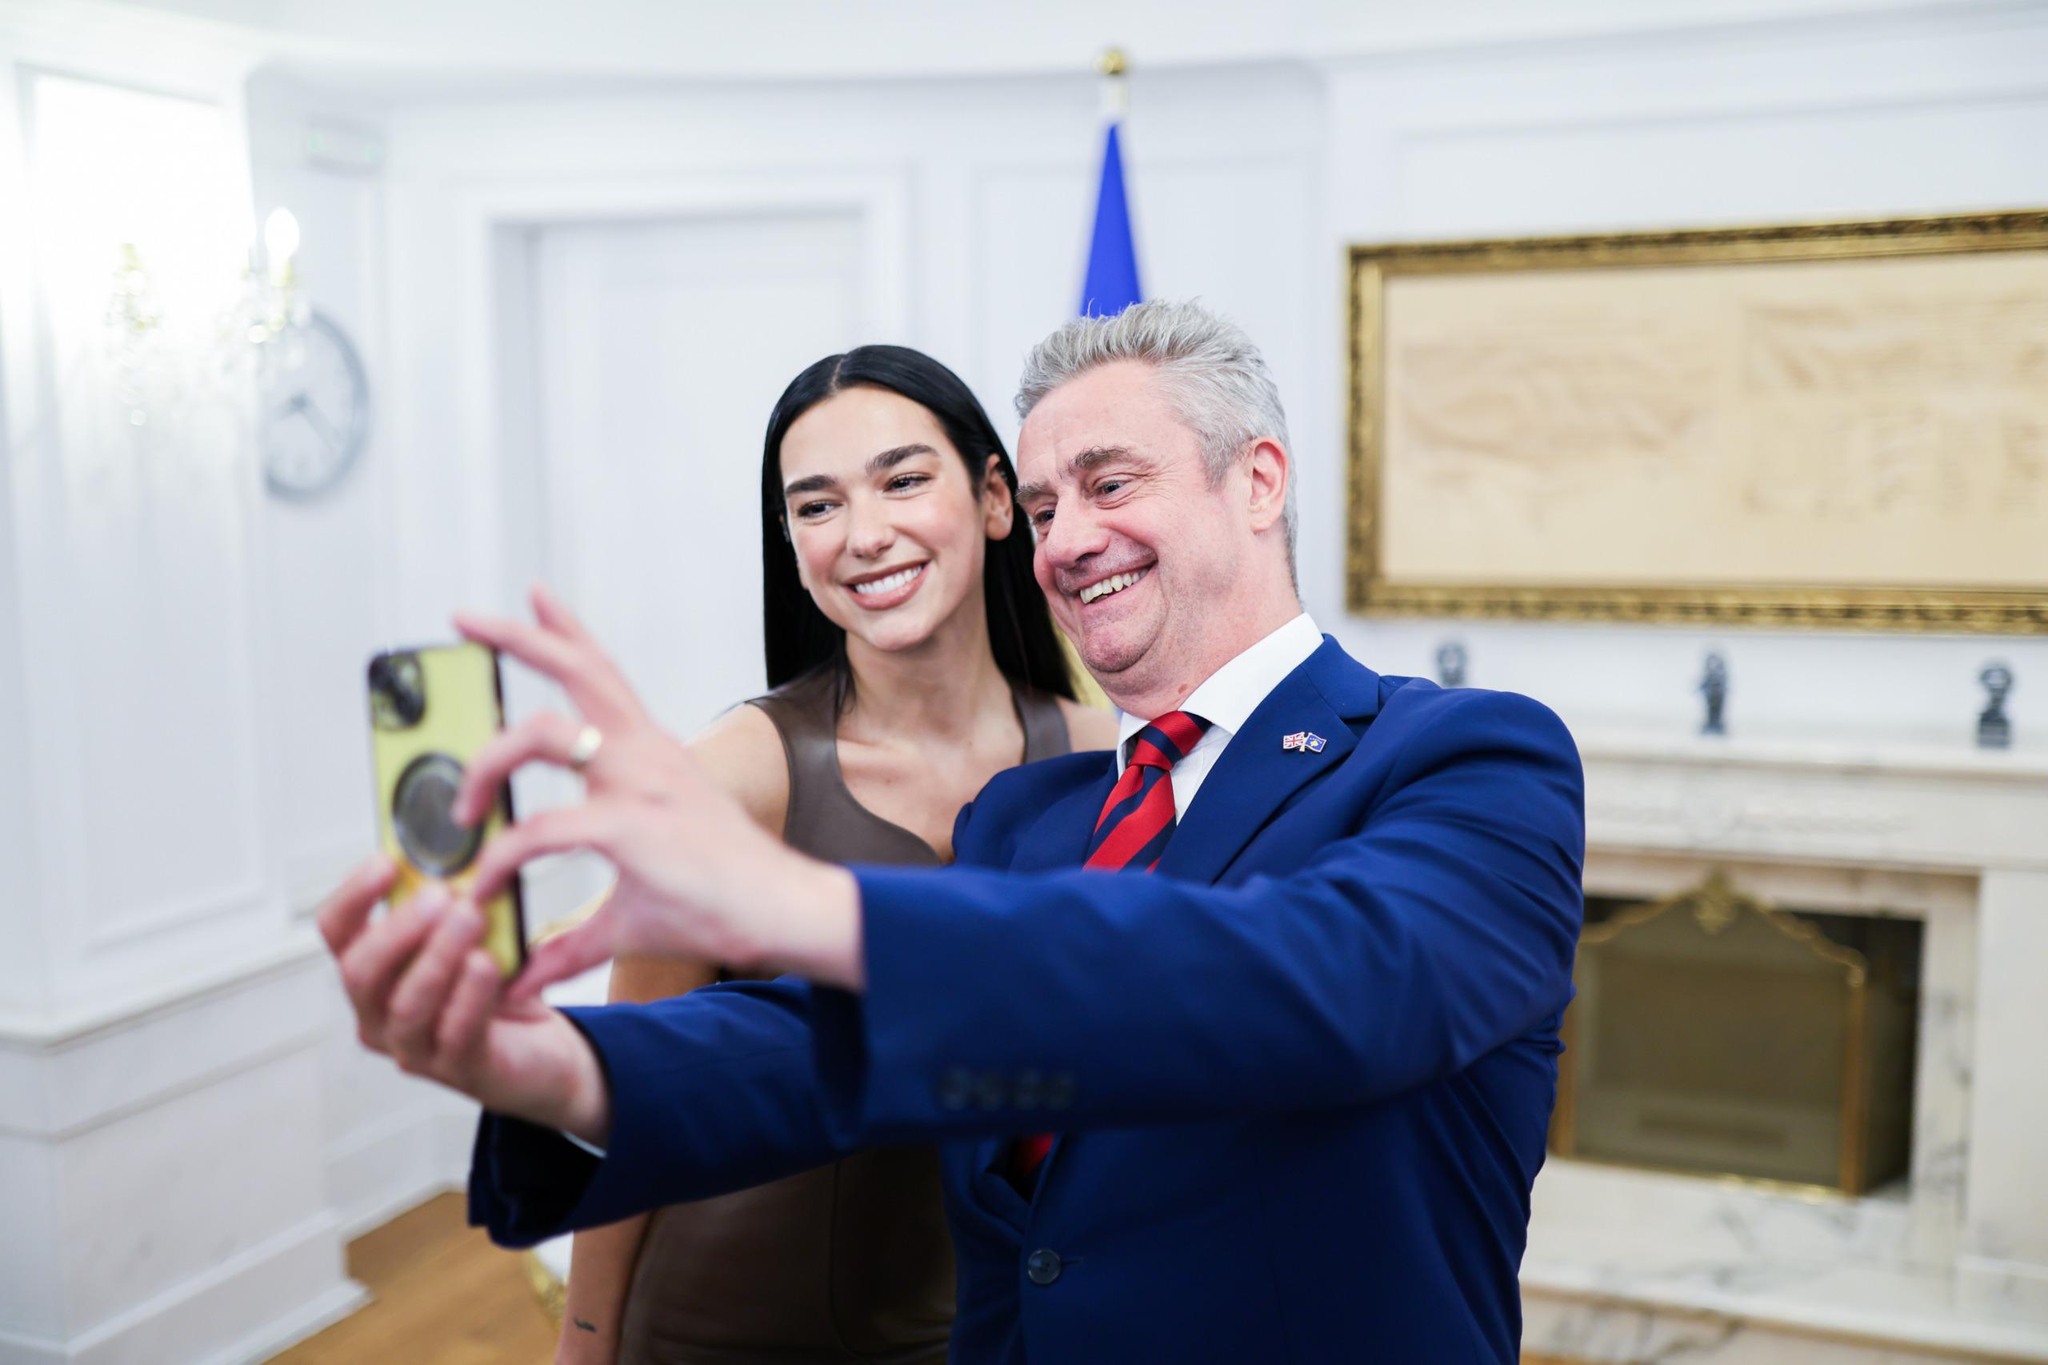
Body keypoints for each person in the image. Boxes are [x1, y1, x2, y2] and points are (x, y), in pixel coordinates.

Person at [321, 300, 1585, 1364]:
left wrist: (788, 900)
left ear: (1256, 480)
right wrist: (553, 1068)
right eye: (1041, 506)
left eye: (1109, 484)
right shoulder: (1029, 819)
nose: (1067, 540)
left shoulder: (1468, 758)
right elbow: (841, 1049)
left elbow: (1315, 982)